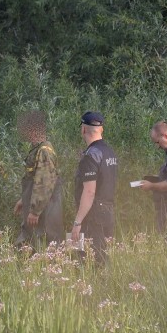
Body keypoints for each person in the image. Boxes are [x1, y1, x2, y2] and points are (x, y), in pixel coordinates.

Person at [71, 111, 118, 265]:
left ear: (83, 129)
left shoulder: (90, 156)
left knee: (89, 259)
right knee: (105, 256)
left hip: (93, 215)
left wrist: (77, 222)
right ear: (101, 129)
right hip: (109, 211)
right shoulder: (110, 152)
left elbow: (89, 192)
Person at [12, 111, 63, 248]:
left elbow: (45, 182)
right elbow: (35, 179)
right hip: (39, 208)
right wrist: (24, 199)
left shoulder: (44, 150)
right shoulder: (38, 149)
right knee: (30, 244)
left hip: (45, 211)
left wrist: (35, 211)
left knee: (44, 245)